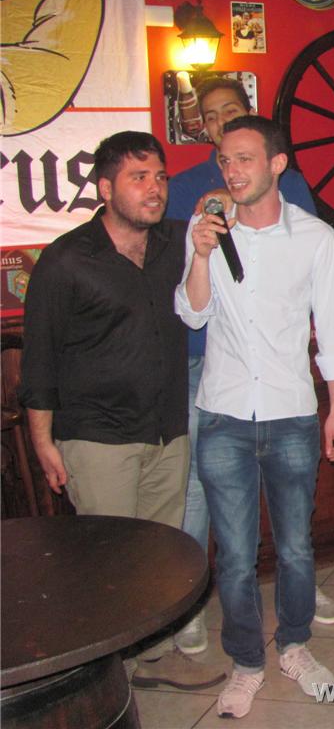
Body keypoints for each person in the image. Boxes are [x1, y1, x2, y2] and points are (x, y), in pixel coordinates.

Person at [19, 131, 225, 692]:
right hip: (97, 437)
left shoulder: (176, 243)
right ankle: (107, 678)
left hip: (167, 430)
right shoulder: (66, 260)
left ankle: (155, 656)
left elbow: (232, 218)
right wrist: (43, 442)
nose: (154, 188)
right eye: (139, 178)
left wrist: (225, 202)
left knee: (159, 556)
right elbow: (39, 359)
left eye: (159, 177)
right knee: (107, 563)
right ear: (106, 188)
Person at [175, 116, 334, 719]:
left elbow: (331, 329)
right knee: (234, 555)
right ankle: (247, 661)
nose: (232, 171)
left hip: (291, 412)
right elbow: (192, 313)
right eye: (225, 161)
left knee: (297, 547)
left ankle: (295, 646)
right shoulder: (206, 228)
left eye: (245, 159)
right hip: (223, 413)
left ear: (278, 165)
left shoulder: (315, 237)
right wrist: (201, 255)